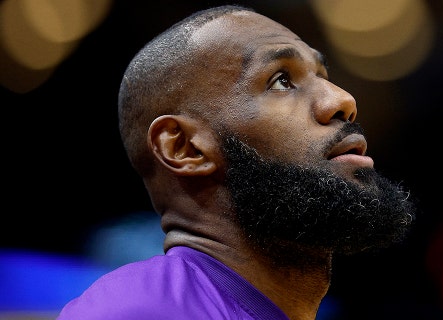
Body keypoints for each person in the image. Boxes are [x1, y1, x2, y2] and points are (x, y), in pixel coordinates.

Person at [57, 4, 418, 320]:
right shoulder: (136, 311)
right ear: (184, 148)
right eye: (281, 81)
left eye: (323, 76)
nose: (342, 99)